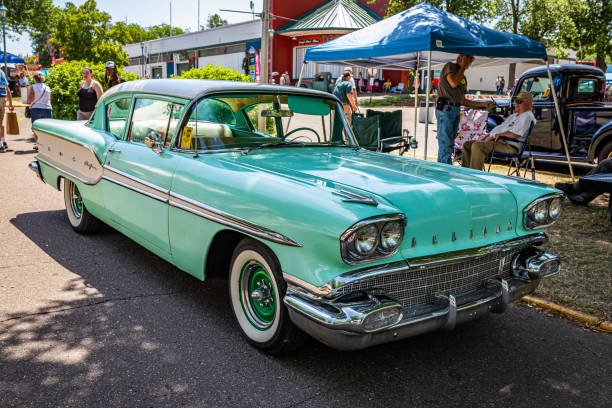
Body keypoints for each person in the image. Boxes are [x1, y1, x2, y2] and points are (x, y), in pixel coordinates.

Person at [435, 54, 495, 164]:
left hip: (455, 109)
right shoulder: (450, 67)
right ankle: (445, 171)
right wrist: (462, 66)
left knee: (448, 143)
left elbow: (463, 100)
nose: (468, 64)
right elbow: (453, 83)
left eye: (470, 62)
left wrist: (483, 104)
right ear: (460, 58)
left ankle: (441, 169)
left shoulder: (462, 77)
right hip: (446, 108)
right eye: (467, 61)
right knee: (445, 142)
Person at [461, 91, 535, 170]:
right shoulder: (514, 116)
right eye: (515, 101)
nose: (516, 103)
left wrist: (495, 136)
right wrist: (489, 135)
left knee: (477, 146)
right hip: (499, 141)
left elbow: (514, 135)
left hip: (510, 146)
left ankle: (474, 176)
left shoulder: (527, 116)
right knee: (467, 144)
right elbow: (500, 128)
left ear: (529, 103)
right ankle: (466, 173)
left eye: (519, 101)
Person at [27, 72, 52, 150]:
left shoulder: (33, 87)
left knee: (36, 128)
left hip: (36, 108)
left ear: (34, 79)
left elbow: (30, 98)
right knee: (47, 128)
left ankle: (38, 144)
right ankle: (47, 145)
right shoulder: (47, 87)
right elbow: (50, 99)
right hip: (47, 108)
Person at [0, 67, 14, 152]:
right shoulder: (2, 72)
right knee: (0, 122)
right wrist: (10, 103)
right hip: (3, 97)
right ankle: (3, 141)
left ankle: (1, 145)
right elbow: (7, 88)